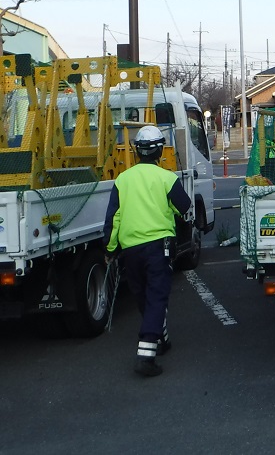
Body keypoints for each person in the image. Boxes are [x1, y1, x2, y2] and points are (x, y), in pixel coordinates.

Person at [104, 125, 192, 377]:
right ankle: (146, 356)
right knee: (156, 297)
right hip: (158, 247)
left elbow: (113, 218)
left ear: (137, 150)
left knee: (143, 297)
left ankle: (159, 339)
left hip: (130, 249)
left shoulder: (122, 180)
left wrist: (109, 249)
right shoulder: (166, 178)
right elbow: (184, 206)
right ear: (160, 150)